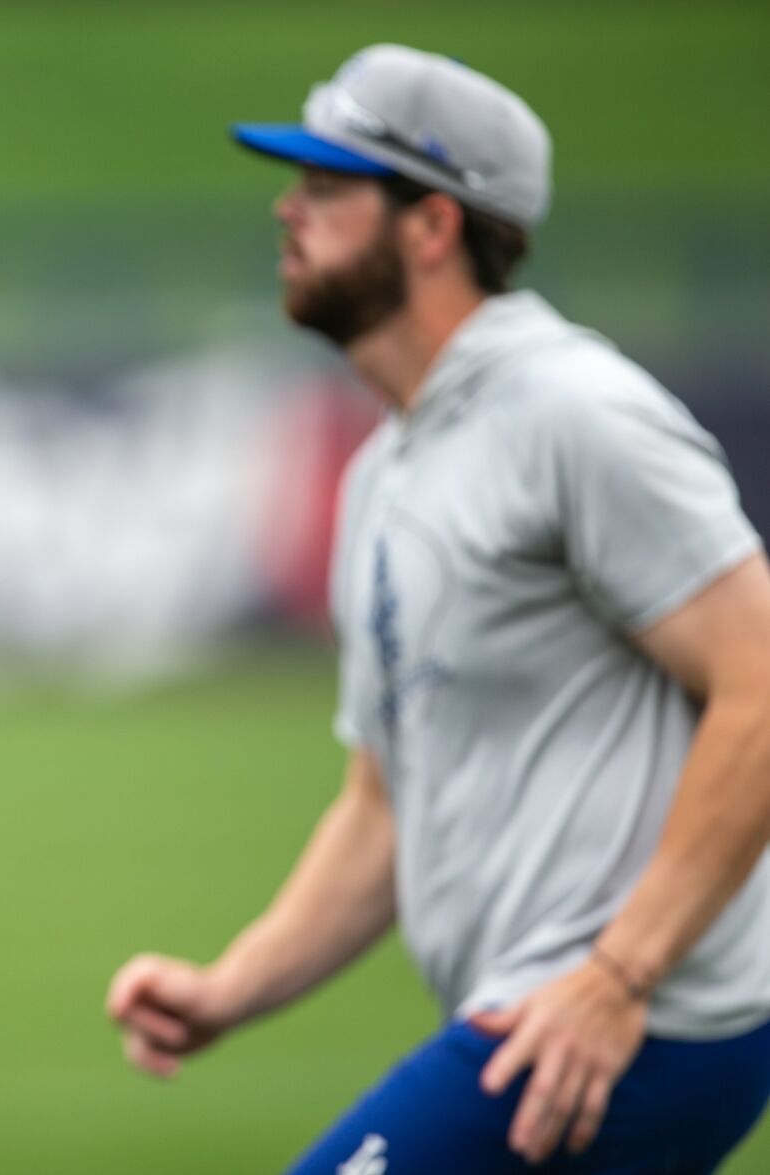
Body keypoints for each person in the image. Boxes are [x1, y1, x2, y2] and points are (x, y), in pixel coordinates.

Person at [107, 44, 770, 1173]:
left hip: (635, 1026)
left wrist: (618, 977)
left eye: (327, 186)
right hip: (555, 1017)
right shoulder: (386, 468)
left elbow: (757, 683)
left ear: (430, 225)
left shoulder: (573, 411)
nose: (286, 209)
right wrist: (230, 986)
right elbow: (381, 804)